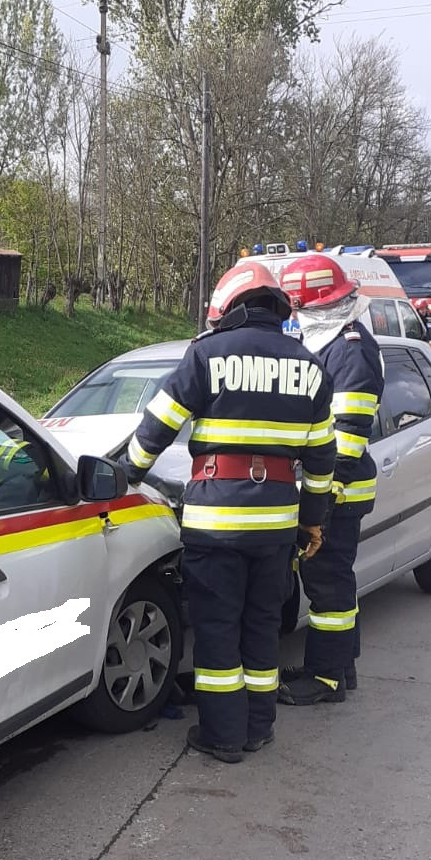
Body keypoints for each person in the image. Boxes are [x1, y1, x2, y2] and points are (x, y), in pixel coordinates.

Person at [123, 260, 335, 763]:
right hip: (277, 527)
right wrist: (312, 520)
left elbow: (155, 431)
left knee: (218, 627)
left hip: (216, 525)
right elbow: (322, 460)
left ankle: (223, 735)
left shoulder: (206, 355)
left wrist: (125, 474)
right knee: (262, 626)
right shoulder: (309, 366)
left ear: (232, 308)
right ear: (277, 308)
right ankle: (258, 728)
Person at [275, 255, 386, 706]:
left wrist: (318, 507)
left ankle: (325, 680)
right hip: (333, 488)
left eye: (300, 308)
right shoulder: (334, 342)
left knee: (327, 584)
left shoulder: (350, 350)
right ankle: (343, 665)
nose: (297, 317)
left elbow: (347, 441)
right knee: (336, 580)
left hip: (339, 489)